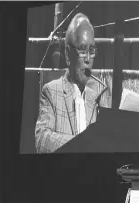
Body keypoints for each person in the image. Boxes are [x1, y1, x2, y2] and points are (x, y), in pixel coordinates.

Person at [35, 13, 103, 153]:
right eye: (83, 51)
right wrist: (80, 145)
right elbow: (41, 140)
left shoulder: (95, 98)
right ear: (67, 55)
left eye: (92, 50)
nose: (88, 59)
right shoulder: (51, 91)